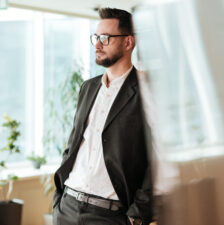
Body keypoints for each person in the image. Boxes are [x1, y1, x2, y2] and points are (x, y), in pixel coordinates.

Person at [53, 7, 152, 225]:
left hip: (110, 216)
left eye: (105, 38)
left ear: (128, 42)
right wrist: (58, 200)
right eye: (96, 37)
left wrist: (137, 215)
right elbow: (73, 145)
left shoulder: (146, 89)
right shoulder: (88, 88)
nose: (97, 44)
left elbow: (158, 160)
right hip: (67, 207)